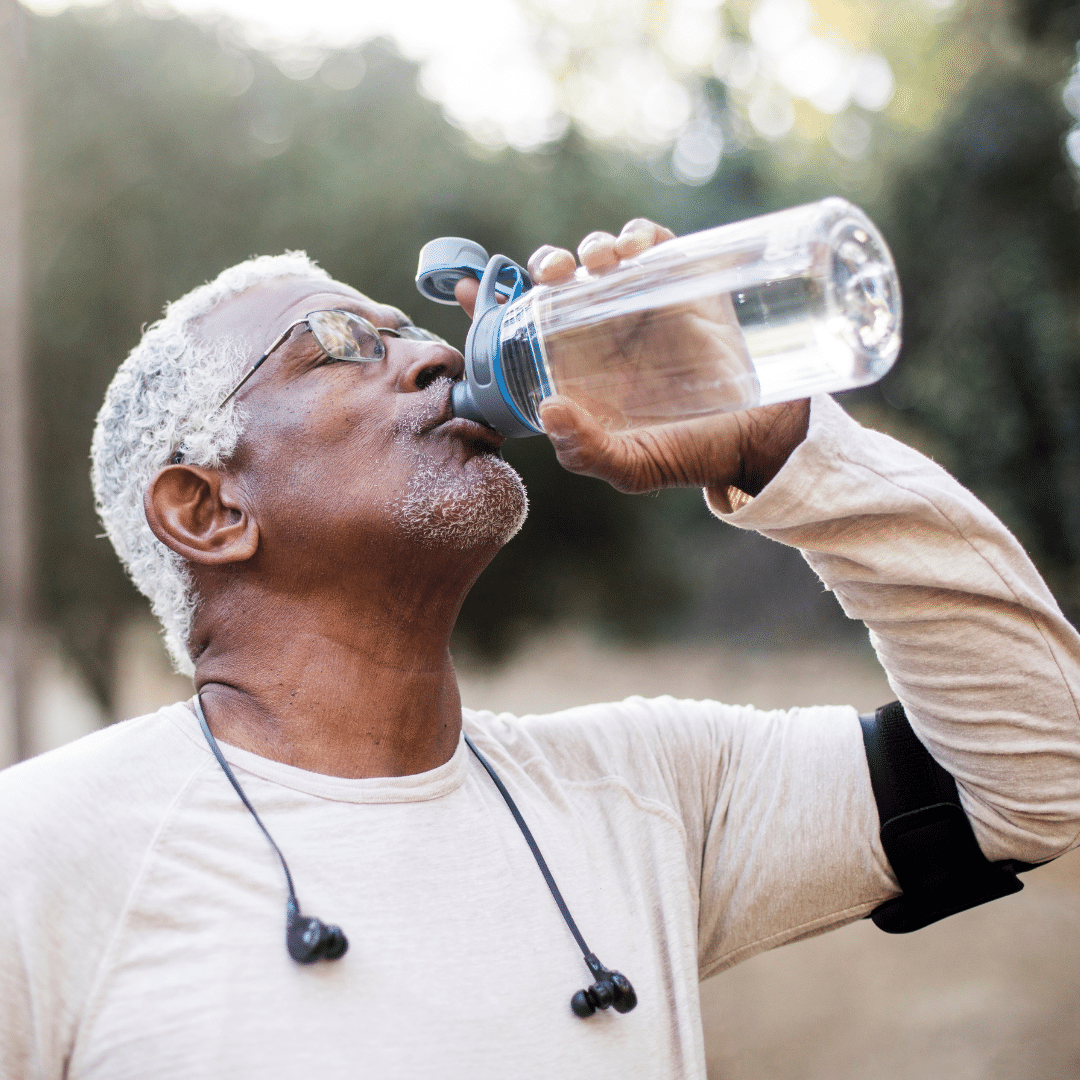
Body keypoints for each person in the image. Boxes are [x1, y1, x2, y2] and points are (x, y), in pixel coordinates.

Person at [1, 219, 1078, 1079]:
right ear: (207, 508)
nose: (431, 354)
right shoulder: (42, 858)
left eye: (411, 330)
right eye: (340, 344)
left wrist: (781, 447)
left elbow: (1042, 770)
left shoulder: (648, 792)